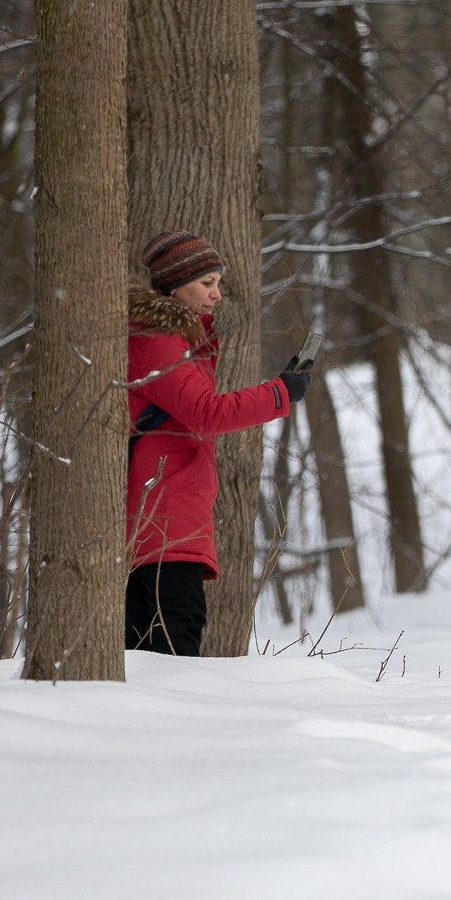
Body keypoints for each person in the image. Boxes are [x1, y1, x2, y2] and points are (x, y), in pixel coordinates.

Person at [126, 231, 309, 655]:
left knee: (157, 645)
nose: (217, 294)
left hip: (169, 516)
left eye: (218, 283)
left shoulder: (177, 339)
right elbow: (205, 412)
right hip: (162, 520)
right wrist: (280, 393)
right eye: (207, 283)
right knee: (173, 643)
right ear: (174, 284)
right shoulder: (158, 340)